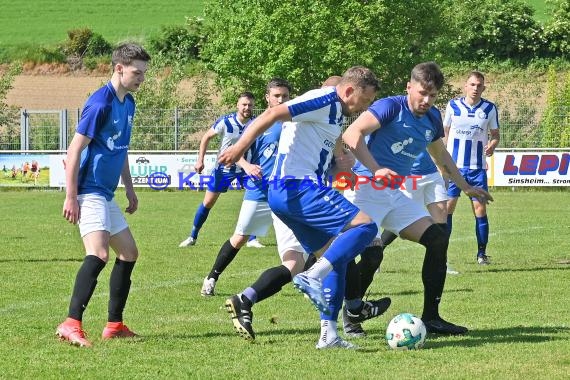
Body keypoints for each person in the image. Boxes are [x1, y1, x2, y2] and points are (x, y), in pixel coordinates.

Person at [220, 67, 388, 349]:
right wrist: (238, 149)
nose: (366, 107)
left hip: (292, 192)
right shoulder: (324, 99)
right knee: (366, 226)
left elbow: (323, 149)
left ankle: (329, 335)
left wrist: (354, 166)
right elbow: (272, 114)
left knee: (337, 260)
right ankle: (312, 276)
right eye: (366, 100)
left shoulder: (335, 115)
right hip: (296, 187)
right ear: (348, 91)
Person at [342, 62, 493, 336]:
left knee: (437, 238)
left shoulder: (433, 118)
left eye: (432, 95)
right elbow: (351, 134)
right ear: (409, 87)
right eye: (422, 92)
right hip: (364, 190)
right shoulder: (390, 107)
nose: (426, 100)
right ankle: (352, 315)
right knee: (372, 255)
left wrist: (465, 186)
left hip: (393, 194)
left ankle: (432, 317)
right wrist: (377, 169)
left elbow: (441, 155)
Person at [56, 43, 151, 348]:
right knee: (98, 254)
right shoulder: (100, 104)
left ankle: (114, 324)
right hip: (88, 191)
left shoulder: (129, 103)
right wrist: (71, 197)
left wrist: (130, 188)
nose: (142, 79)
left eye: (144, 73)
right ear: (119, 68)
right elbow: (73, 152)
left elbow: (120, 149)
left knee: (129, 253)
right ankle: (70, 323)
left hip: (106, 193)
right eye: (137, 72)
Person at [200, 78, 292, 296]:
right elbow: (235, 152)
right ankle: (212, 276)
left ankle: (310, 282)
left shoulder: (296, 122)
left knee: (304, 238)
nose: (280, 100)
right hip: (259, 190)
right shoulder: (258, 124)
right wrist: (247, 165)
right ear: (267, 97)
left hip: (288, 191)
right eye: (276, 96)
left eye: (285, 96)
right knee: (240, 237)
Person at [179, 92, 255, 247]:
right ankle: (192, 237)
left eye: (250, 105)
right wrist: (200, 159)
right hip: (224, 169)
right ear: (237, 105)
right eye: (244, 104)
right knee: (207, 203)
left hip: (246, 168)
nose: (247, 107)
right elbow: (206, 137)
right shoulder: (226, 122)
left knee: (256, 200)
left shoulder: (255, 123)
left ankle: (252, 239)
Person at [444, 71, 500, 265]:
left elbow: (495, 135)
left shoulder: (489, 108)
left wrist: (493, 144)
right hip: (453, 168)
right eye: (472, 84)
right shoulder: (453, 106)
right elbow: (444, 133)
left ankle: (481, 254)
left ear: (483, 88)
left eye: (479, 85)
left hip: (477, 168)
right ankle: (442, 253)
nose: (475, 88)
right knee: (447, 209)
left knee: (480, 210)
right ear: (465, 86)